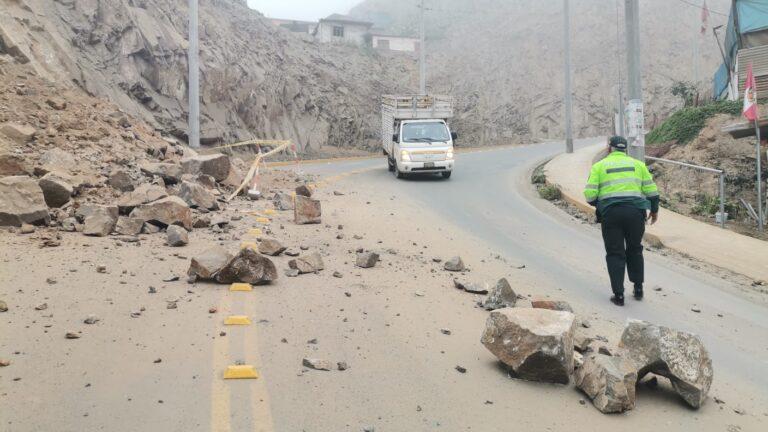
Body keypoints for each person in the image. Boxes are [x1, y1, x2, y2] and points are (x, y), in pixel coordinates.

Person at [583, 136, 660, 306]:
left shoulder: (599, 166)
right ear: (625, 149)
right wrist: (654, 210)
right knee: (635, 249)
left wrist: (602, 204)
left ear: (609, 148)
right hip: (635, 214)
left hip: (611, 215)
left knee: (615, 252)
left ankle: (619, 295)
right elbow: (652, 192)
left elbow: (589, 195)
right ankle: (638, 288)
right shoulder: (638, 165)